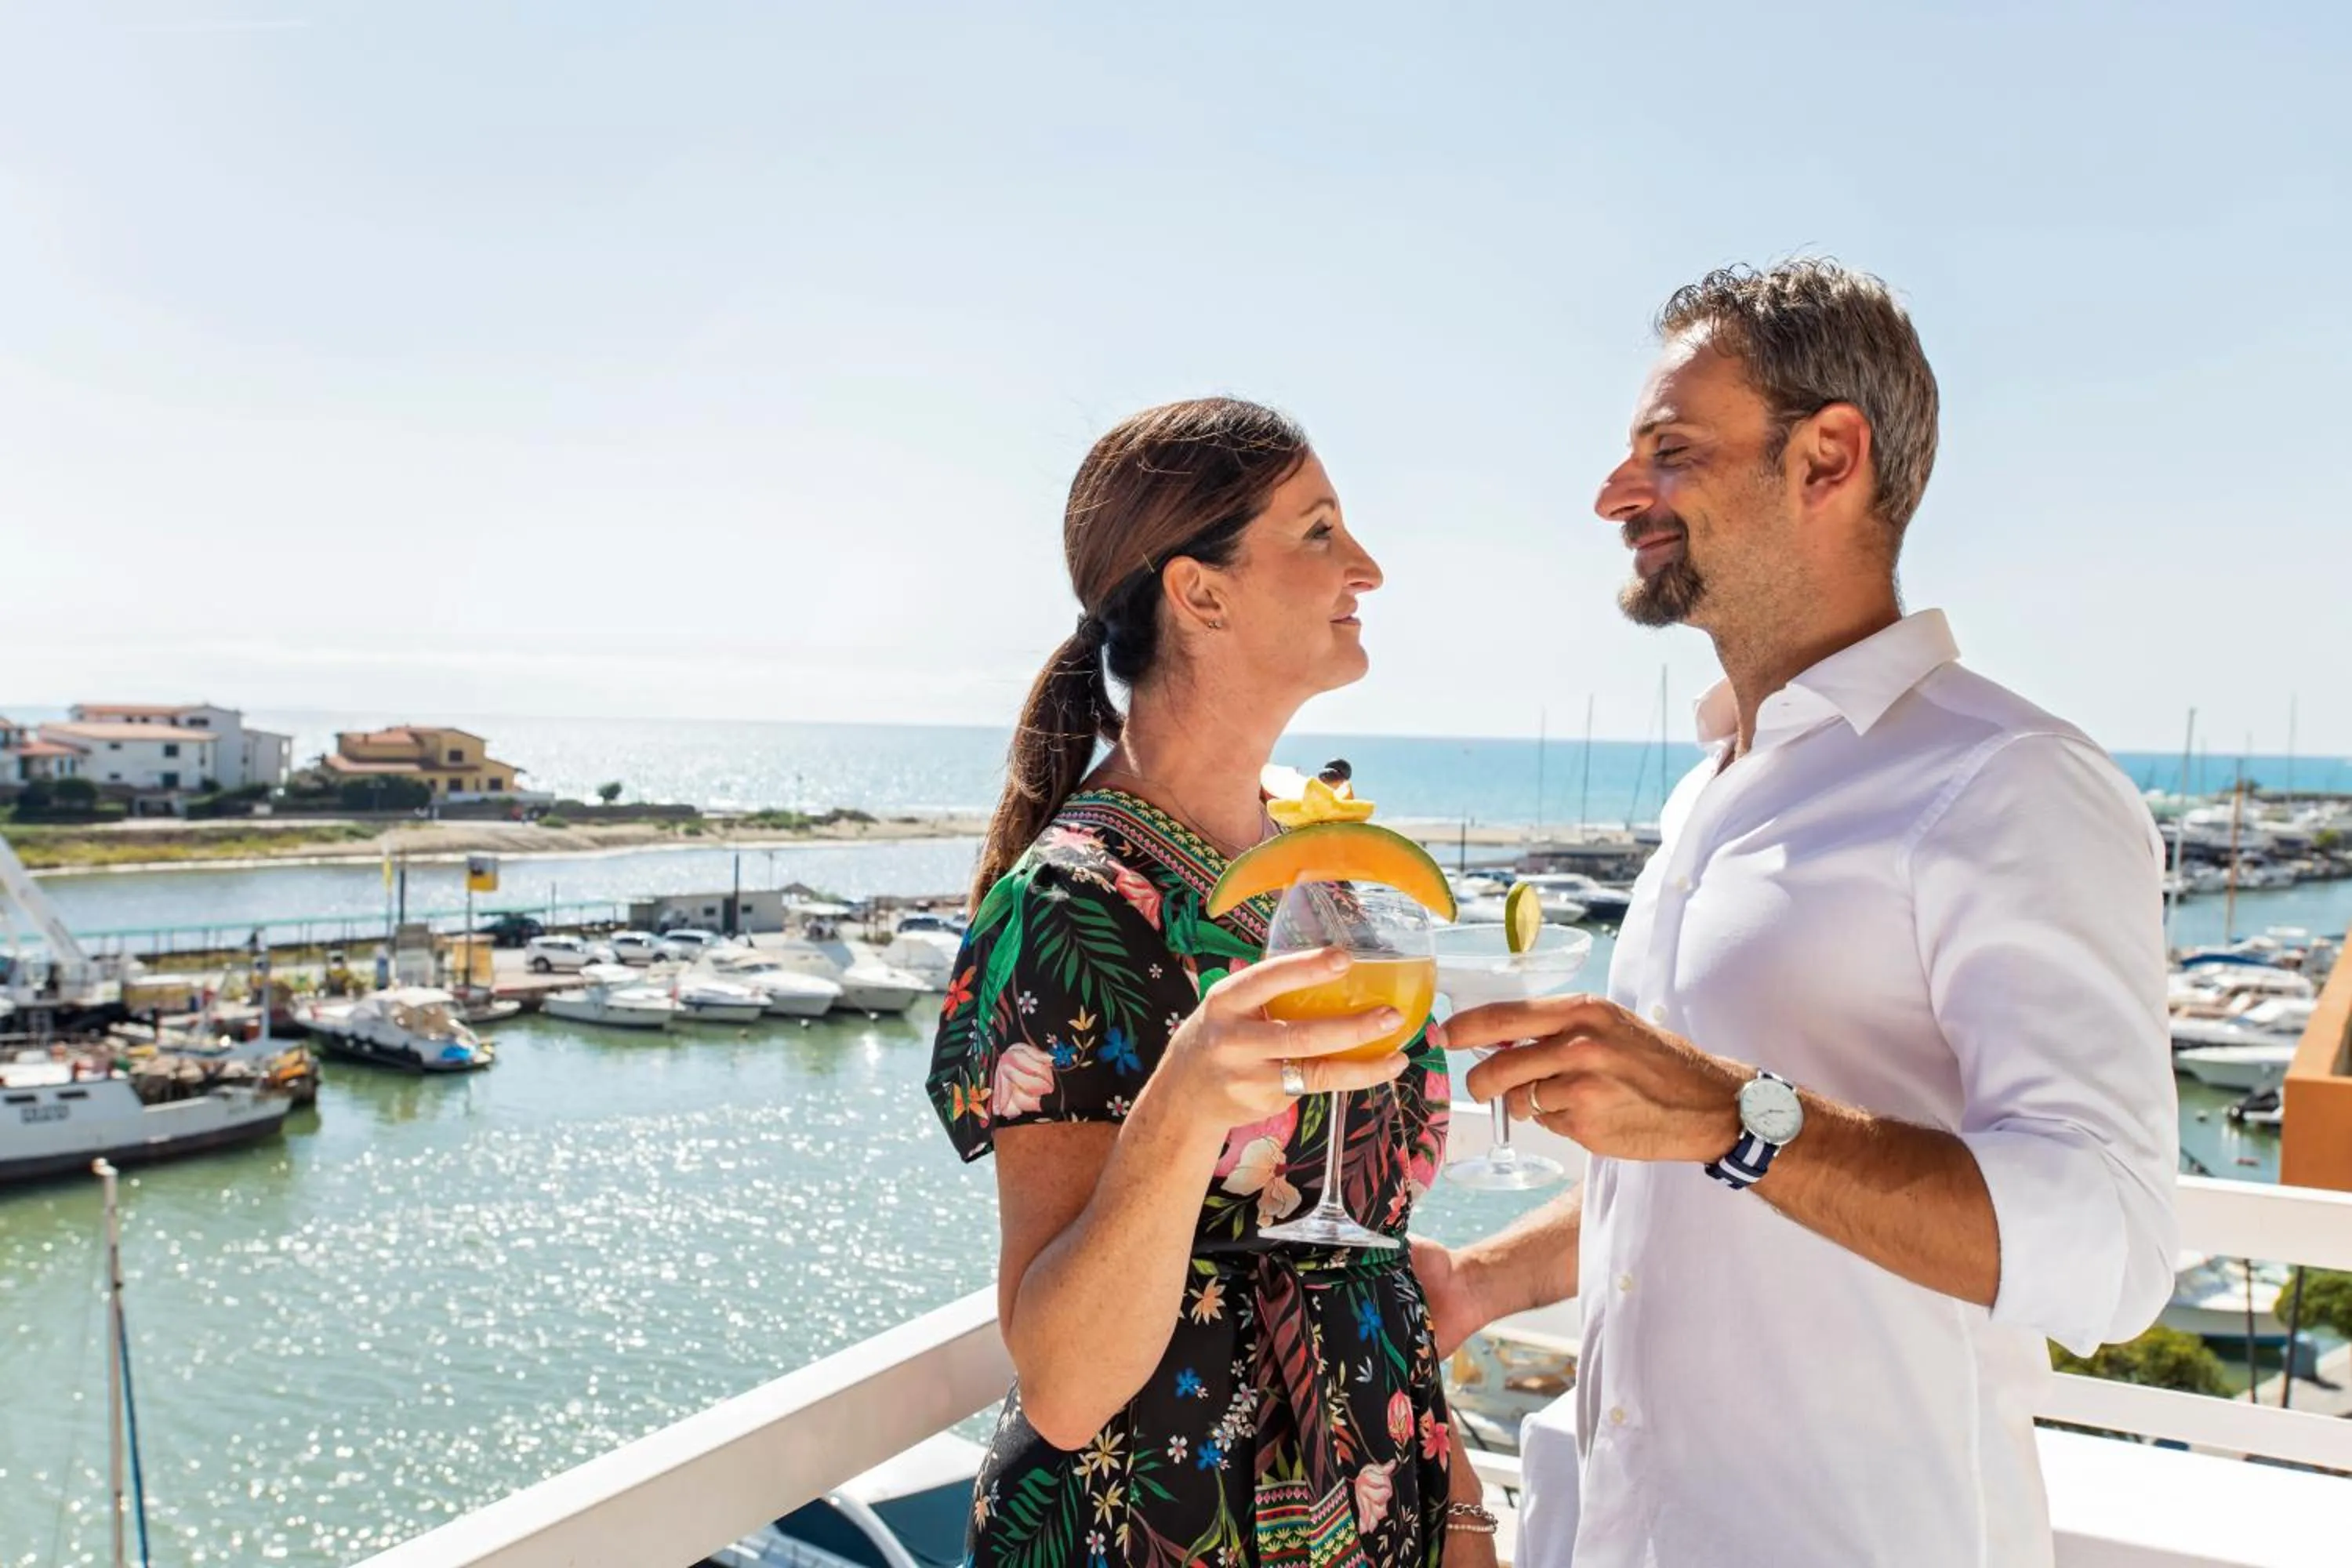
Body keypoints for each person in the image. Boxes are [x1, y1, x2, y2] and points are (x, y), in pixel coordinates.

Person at [1414, 260, 2179, 1566]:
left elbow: (2108, 1244)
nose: (1616, 496)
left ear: (1828, 458)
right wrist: (1484, 1285)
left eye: (1669, 450)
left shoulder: (2008, 783)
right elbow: (1695, 1180)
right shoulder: (1711, 788)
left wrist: (1733, 1111)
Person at [926, 397, 1494, 1567]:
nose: (1368, 568)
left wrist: (1466, 1509)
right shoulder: (1074, 905)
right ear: (1202, 592)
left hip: (1375, 1500)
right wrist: (1183, 1106)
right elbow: (1066, 1382)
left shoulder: (1317, 861)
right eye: (1320, 531)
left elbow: (1370, 1249)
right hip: (1161, 1527)